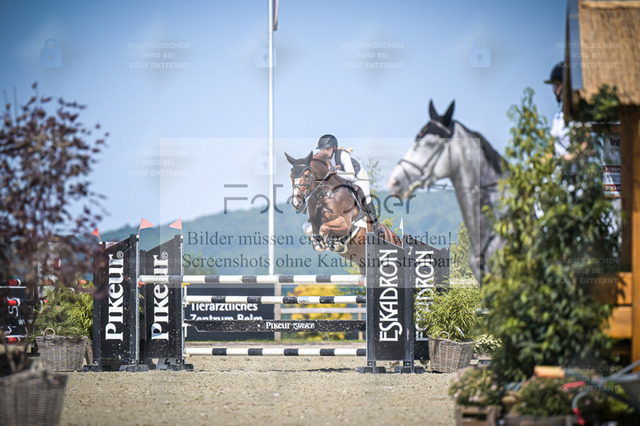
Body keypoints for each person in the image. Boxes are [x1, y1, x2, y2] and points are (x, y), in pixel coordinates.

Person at [301, 134, 381, 247]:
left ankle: (376, 225)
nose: (324, 151)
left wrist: (335, 172)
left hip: (357, 176)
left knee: (365, 196)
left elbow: (351, 176)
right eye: (322, 149)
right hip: (340, 178)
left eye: (327, 149)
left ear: (334, 148)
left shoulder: (343, 155)